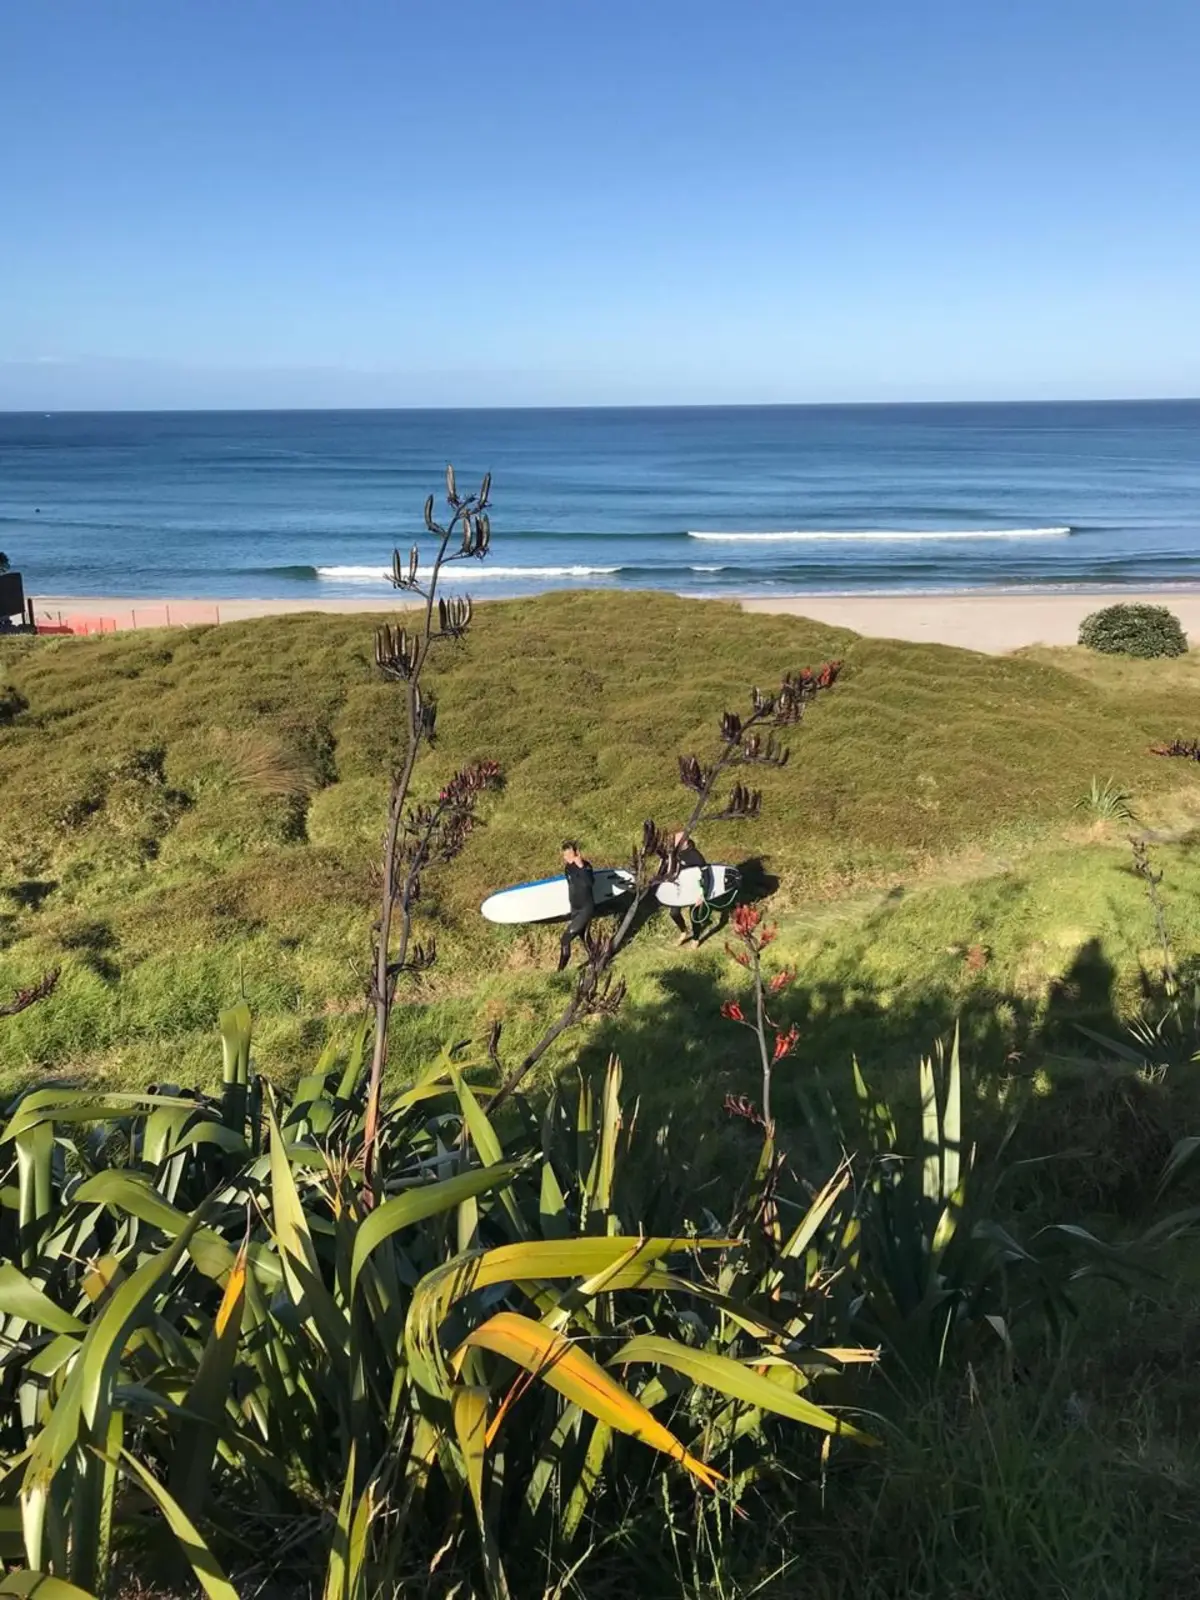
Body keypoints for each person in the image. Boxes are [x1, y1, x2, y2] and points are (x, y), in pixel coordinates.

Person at [557, 839, 595, 970]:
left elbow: (590, 883)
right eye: (565, 855)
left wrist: (581, 868)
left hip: (585, 909)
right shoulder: (567, 868)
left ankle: (559, 972)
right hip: (575, 908)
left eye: (569, 854)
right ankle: (597, 960)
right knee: (584, 936)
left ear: (577, 853)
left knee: (565, 939)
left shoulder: (586, 866)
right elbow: (573, 887)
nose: (567, 857)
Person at [666, 828, 707, 945]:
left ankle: (695, 939)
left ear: (684, 842)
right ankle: (684, 931)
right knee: (674, 913)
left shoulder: (696, 856)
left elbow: (706, 876)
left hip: (694, 889)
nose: (673, 843)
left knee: (694, 916)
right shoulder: (676, 853)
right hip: (681, 888)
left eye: (676, 841)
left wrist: (702, 894)